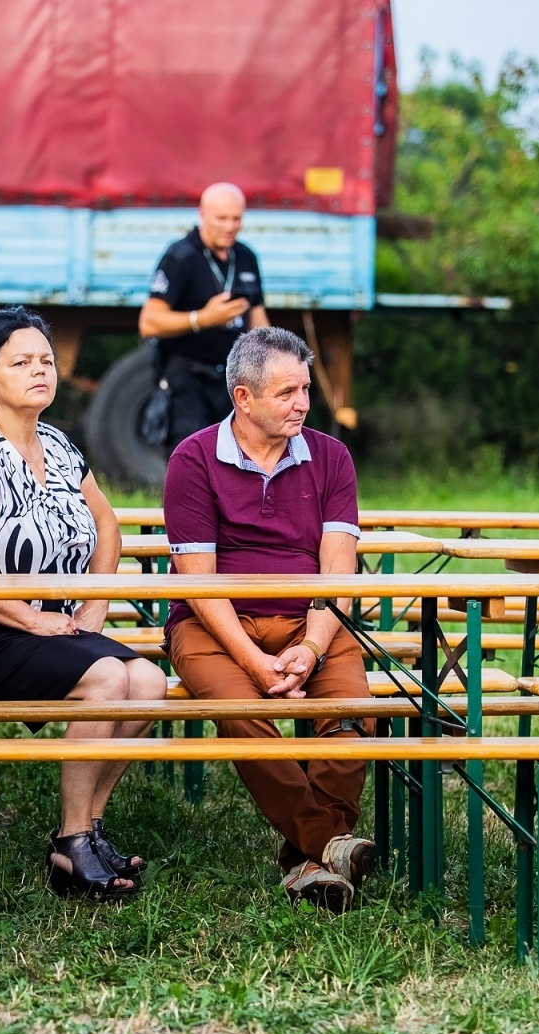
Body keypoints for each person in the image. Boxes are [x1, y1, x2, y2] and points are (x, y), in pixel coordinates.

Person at [0, 306, 167, 900]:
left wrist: (96, 607)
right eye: (20, 362)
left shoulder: (58, 445)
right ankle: (73, 846)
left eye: (46, 361)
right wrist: (32, 618)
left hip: (50, 628)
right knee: (108, 678)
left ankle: (86, 827)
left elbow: (107, 526)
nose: (39, 371)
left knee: (150, 682)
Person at [163, 326, 375, 913]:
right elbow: (197, 581)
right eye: (286, 392)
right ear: (243, 397)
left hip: (314, 620)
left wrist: (311, 646)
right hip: (212, 625)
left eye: (305, 389)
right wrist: (252, 659)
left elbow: (339, 570)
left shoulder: (331, 456)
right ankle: (328, 845)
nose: (303, 403)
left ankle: (306, 864)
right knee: (243, 717)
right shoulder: (193, 457)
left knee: (353, 721)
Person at [139, 182, 270, 454]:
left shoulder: (246, 257)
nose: (229, 226)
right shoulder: (181, 256)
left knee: (235, 463)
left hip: (233, 379)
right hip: (187, 378)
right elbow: (149, 322)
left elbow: (258, 318)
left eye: (236, 219)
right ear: (202, 215)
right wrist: (204, 318)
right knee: (191, 461)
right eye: (221, 218)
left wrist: (272, 364)